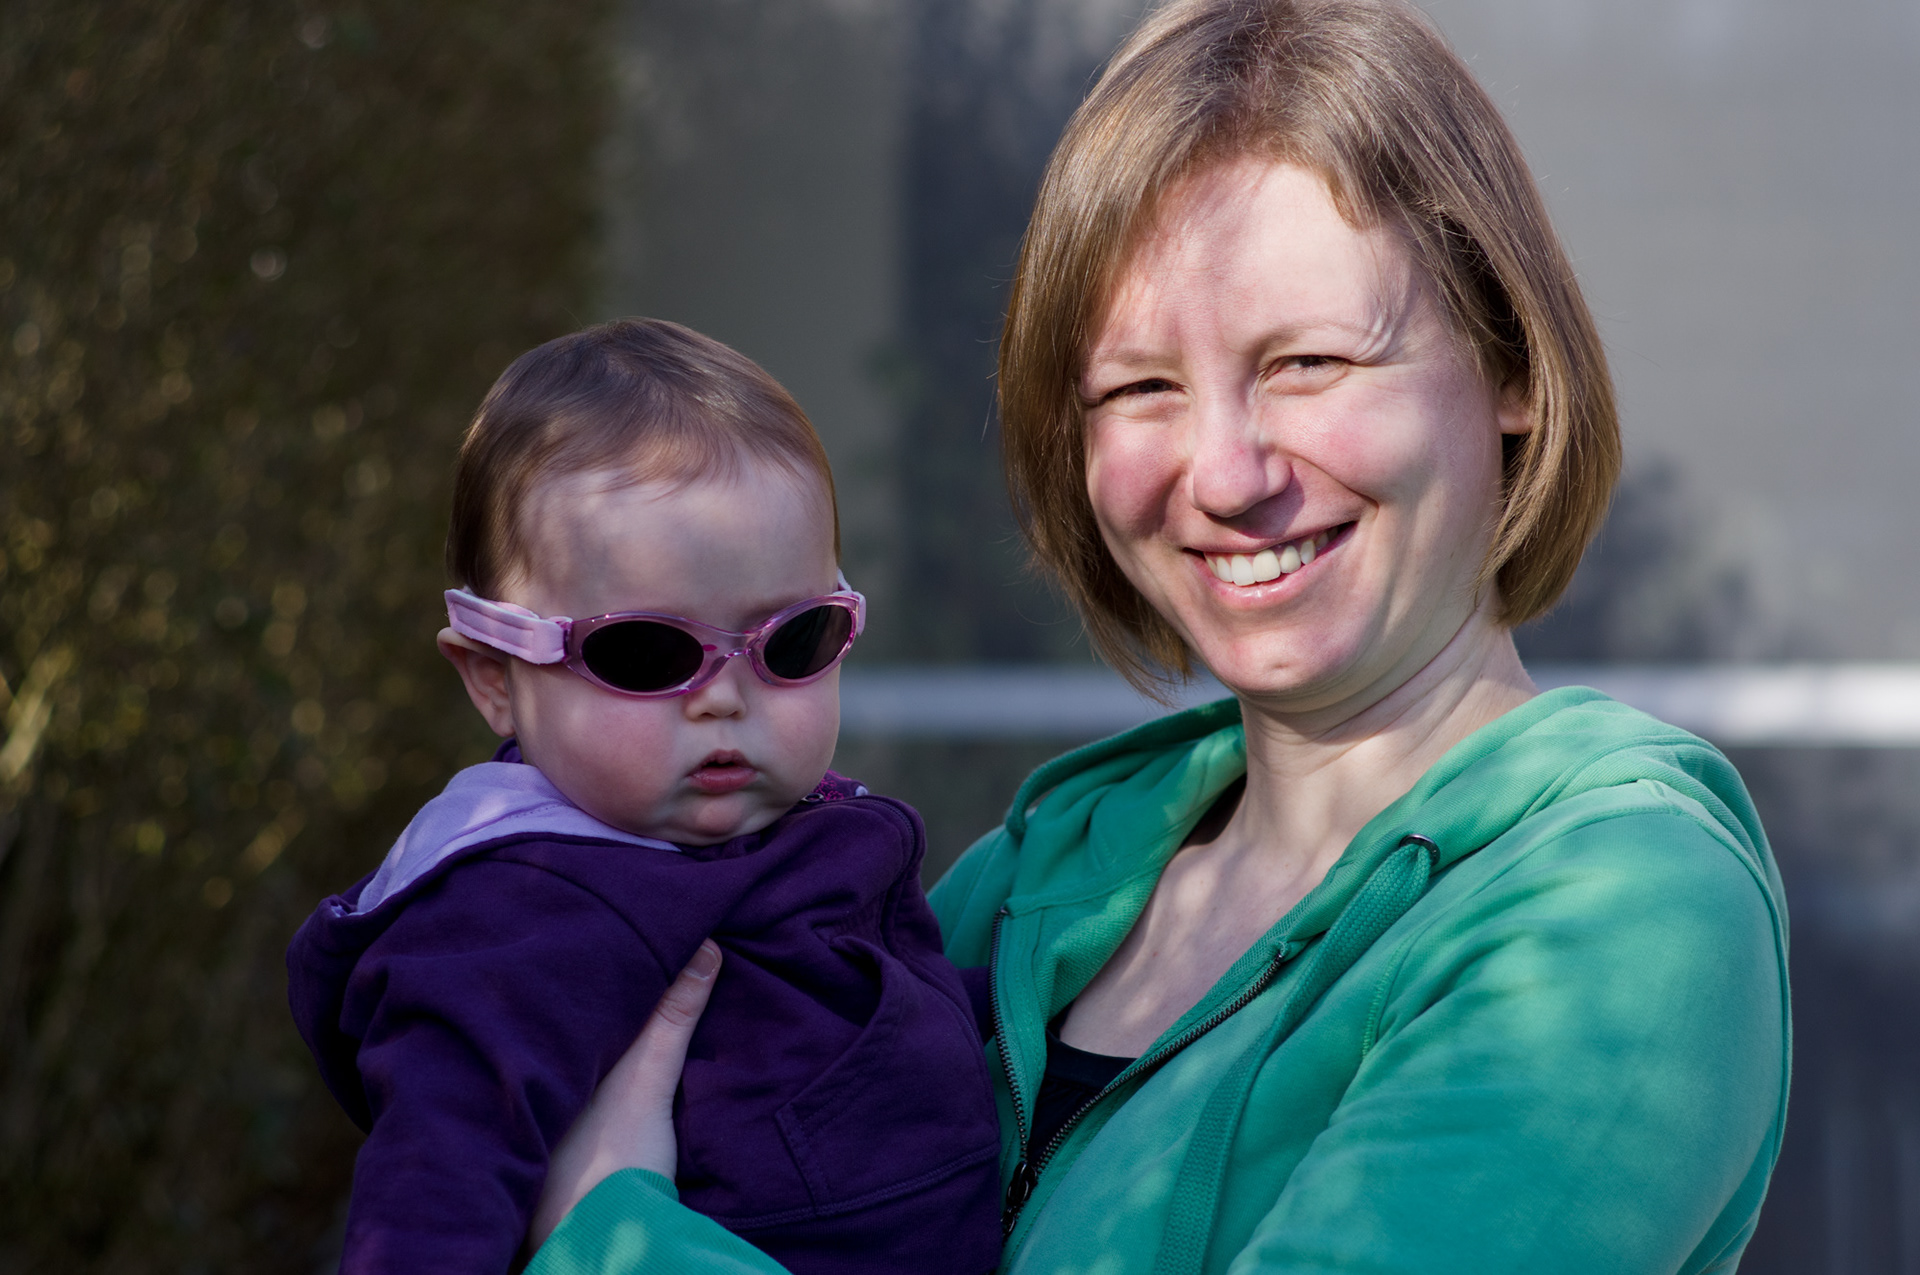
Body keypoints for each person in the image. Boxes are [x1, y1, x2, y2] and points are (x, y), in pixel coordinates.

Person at [525, 1, 1791, 1272]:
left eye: (1308, 363)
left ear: (1509, 364)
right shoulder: (1031, 882)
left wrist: (607, 1231)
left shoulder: (1625, 913)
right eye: (1141, 387)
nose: (1227, 475)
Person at [285, 319, 1003, 1275]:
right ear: (496, 676)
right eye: (647, 652)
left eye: (794, 640)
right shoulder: (513, 913)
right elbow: (432, 1191)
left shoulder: (804, 830)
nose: (724, 698)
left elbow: (890, 1021)